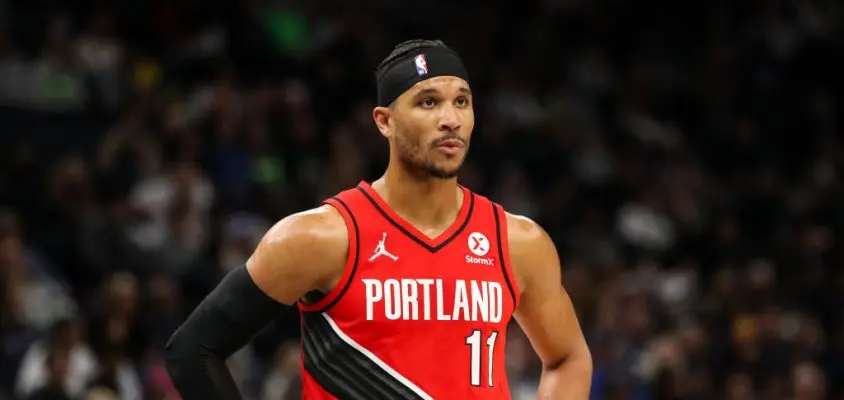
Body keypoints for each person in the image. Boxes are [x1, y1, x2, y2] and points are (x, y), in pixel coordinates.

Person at [165, 39, 593, 399]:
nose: (450, 119)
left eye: (461, 101)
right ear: (385, 122)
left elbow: (568, 358)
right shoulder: (322, 236)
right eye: (428, 102)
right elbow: (193, 351)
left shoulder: (517, 242)